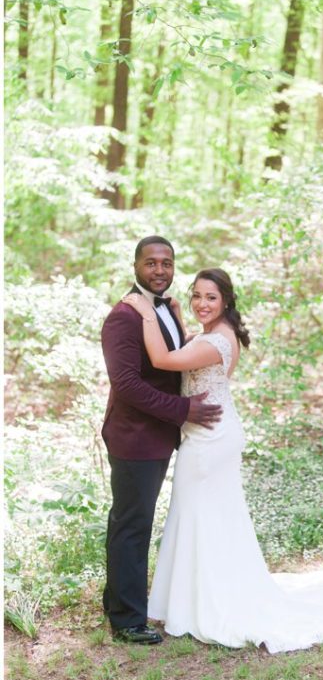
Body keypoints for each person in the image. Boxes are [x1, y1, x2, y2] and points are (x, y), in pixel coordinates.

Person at [120, 268, 323, 653]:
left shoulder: (217, 341)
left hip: (211, 439)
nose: (201, 303)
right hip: (208, 434)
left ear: (226, 301)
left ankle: (210, 601)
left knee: (201, 514)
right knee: (205, 514)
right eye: (196, 296)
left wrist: (145, 311)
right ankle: (198, 596)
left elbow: (162, 359)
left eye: (211, 297)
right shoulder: (214, 334)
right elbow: (188, 348)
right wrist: (174, 313)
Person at [101, 235, 223, 645]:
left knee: (129, 520)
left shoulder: (168, 308)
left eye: (166, 263)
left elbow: (174, 363)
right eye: (151, 263)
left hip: (159, 435)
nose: (159, 270)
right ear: (136, 266)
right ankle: (128, 621)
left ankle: (117, 603)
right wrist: (183, 410)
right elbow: (127, 385)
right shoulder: (123, 317)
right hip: (134, 437)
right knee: (132, 525)